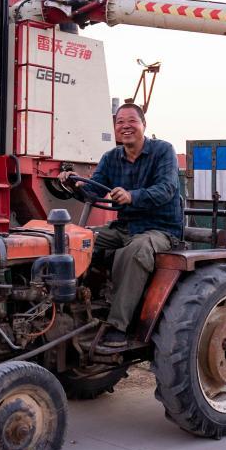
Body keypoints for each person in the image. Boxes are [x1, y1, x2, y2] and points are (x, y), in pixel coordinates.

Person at [59, 103, 183, 351]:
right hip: (124, 227)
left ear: (143, 125)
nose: (125, 127)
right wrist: (73, 184)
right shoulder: (111, 158)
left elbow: (167, 188)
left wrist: (132, 196)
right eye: (119, 123)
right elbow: (93, 190)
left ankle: (118, 326)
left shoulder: (163, 151)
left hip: (159, 229)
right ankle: (66, 309)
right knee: (73, 241)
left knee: (135, 251)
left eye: (131, 121)